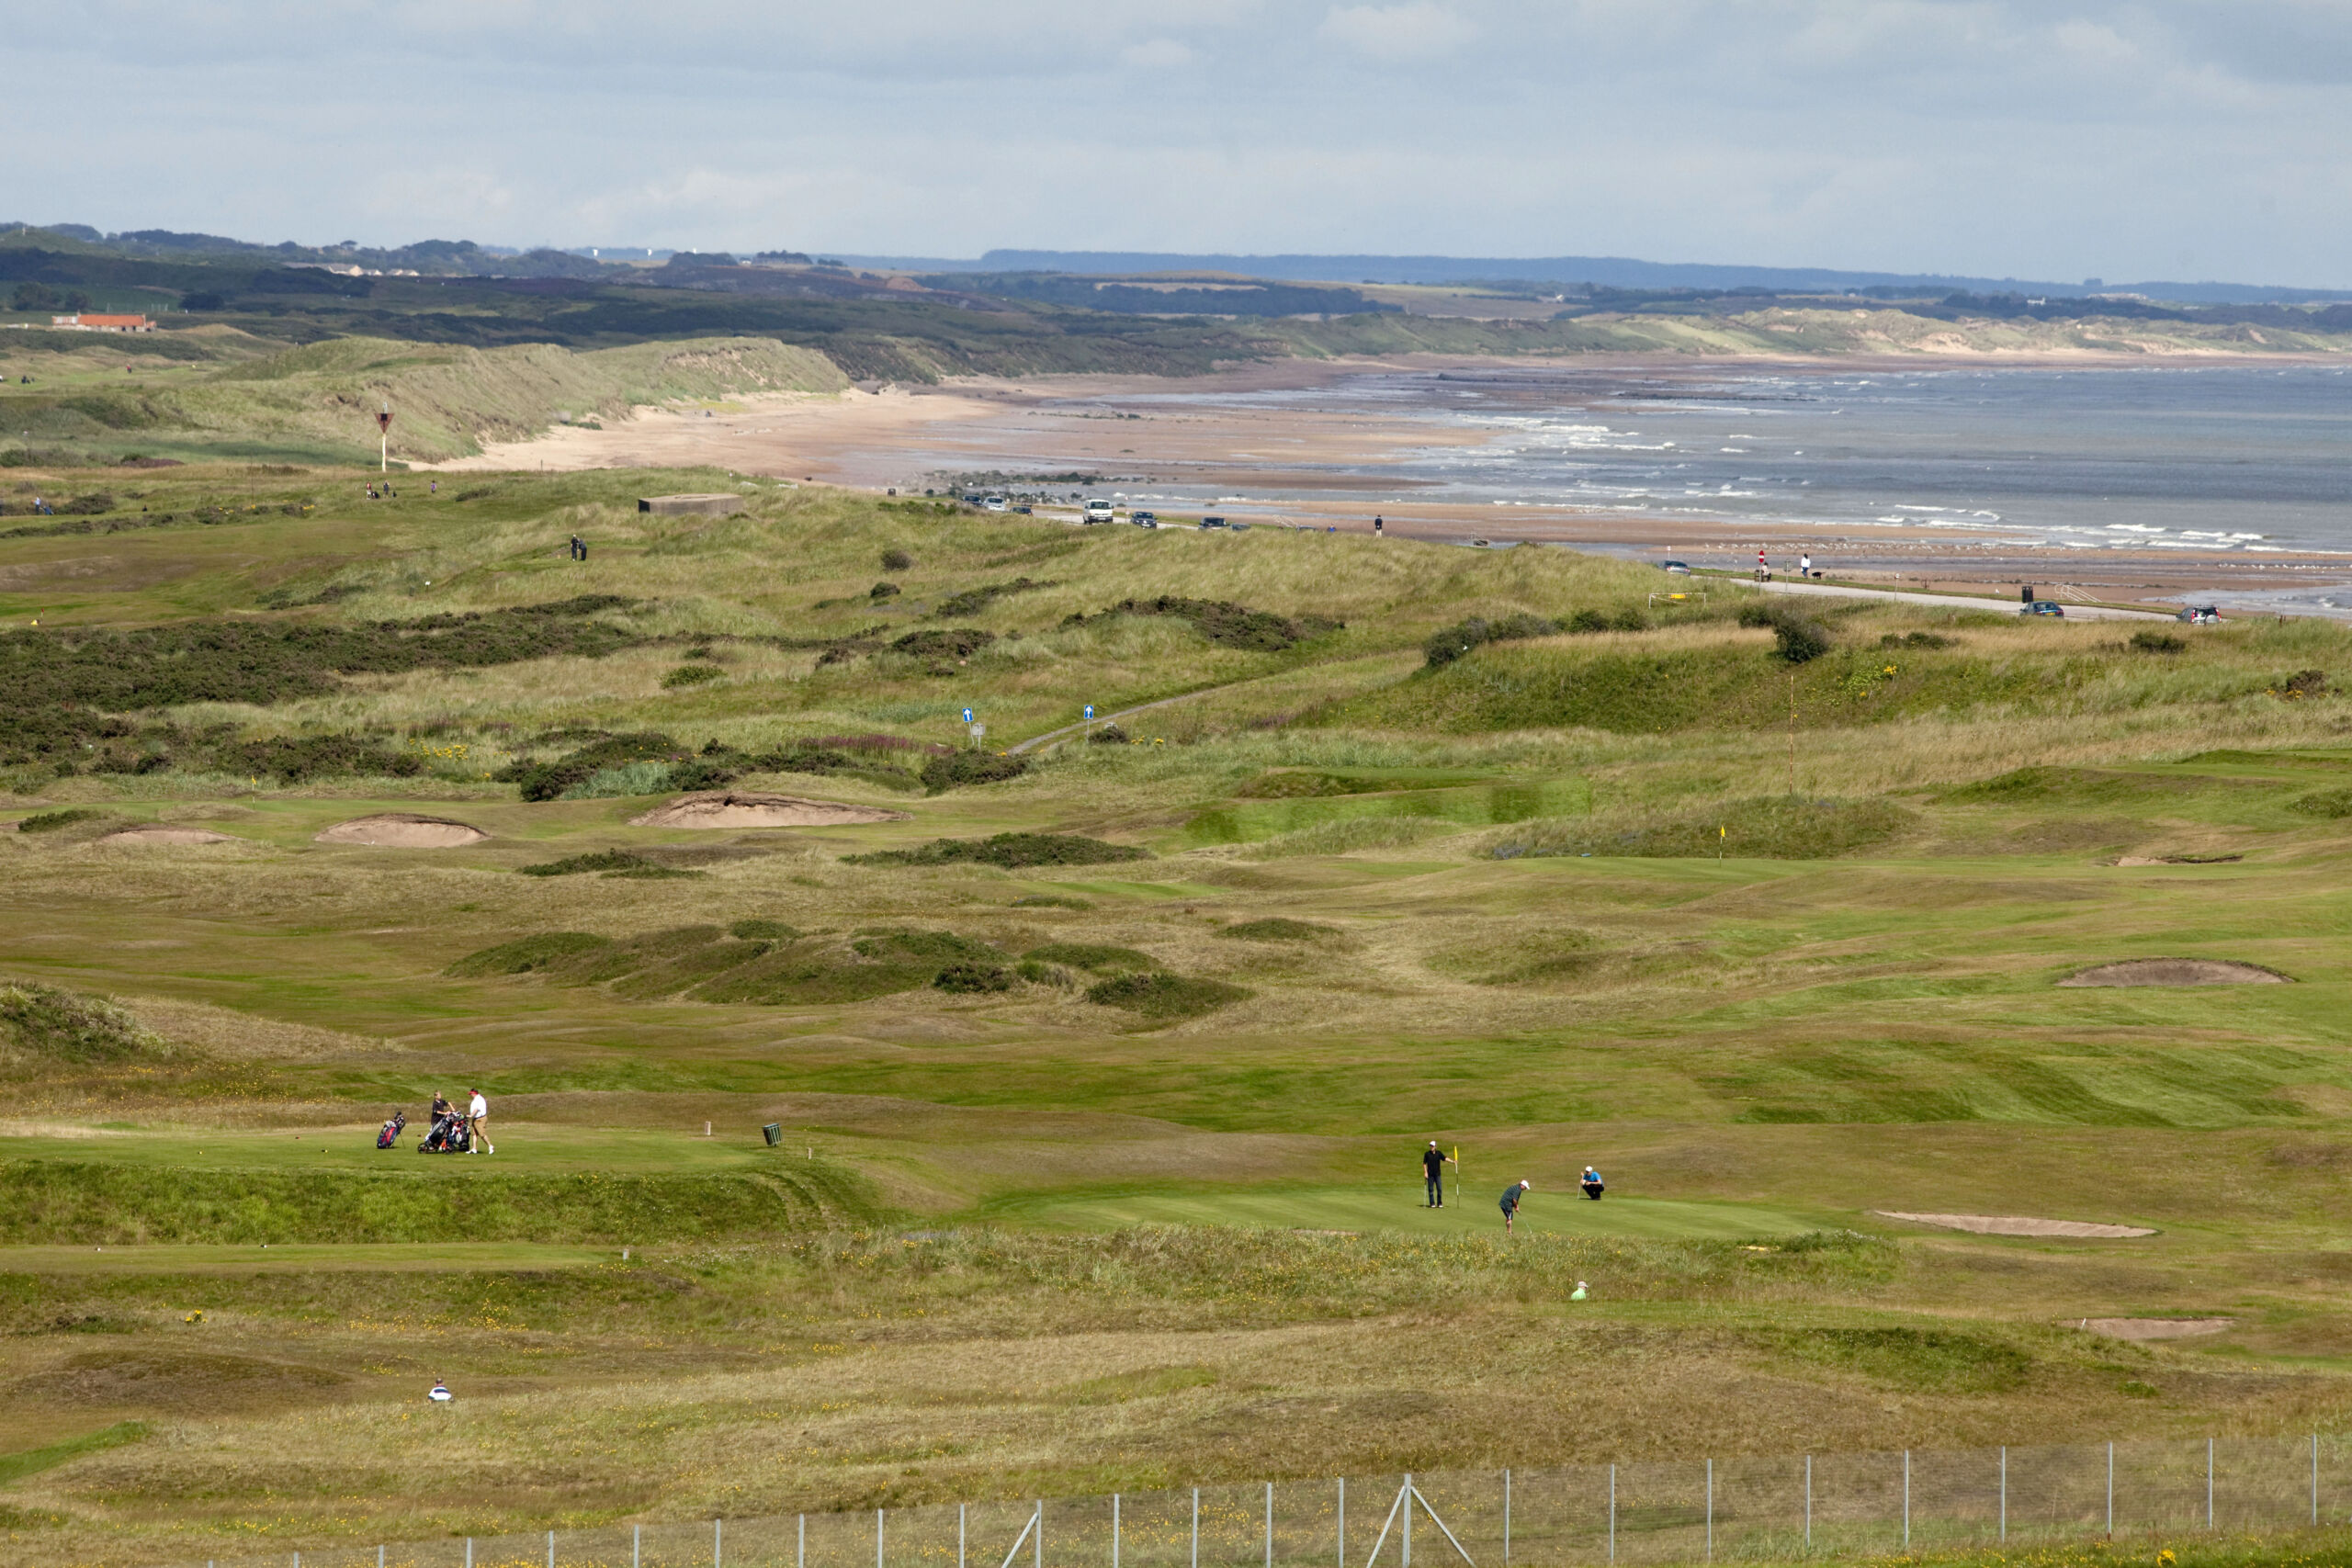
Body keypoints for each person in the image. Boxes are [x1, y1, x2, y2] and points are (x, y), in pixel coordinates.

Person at [1421, 1140, 1455, 1208]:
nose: (1431, 1147)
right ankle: (1432, 1203)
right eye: (1430, 1146)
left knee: (1439, 1189)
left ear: (1435, 1146)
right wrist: (1425, 1172)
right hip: (1430, 1175)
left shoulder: (1439, 1153)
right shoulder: (1427, 1154)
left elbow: (1445, 1158)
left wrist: (1452, 1162)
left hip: (1437, 1174)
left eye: (1432, 1146)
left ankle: (1439, 1203)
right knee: (1431, 1189)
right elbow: (1424, 1164)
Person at [468, 1087, 493, 1154]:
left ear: (474, 1093)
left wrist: (471, 1115)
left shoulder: (478, 1099)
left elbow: (476, 1109)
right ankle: (474, 1148)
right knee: (474, 1134)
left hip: (480, 1119)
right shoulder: (476, 1099)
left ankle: (490, 1146)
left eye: (471, 1094)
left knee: (482, 1134)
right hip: (475, 1119)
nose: (470, 1095)